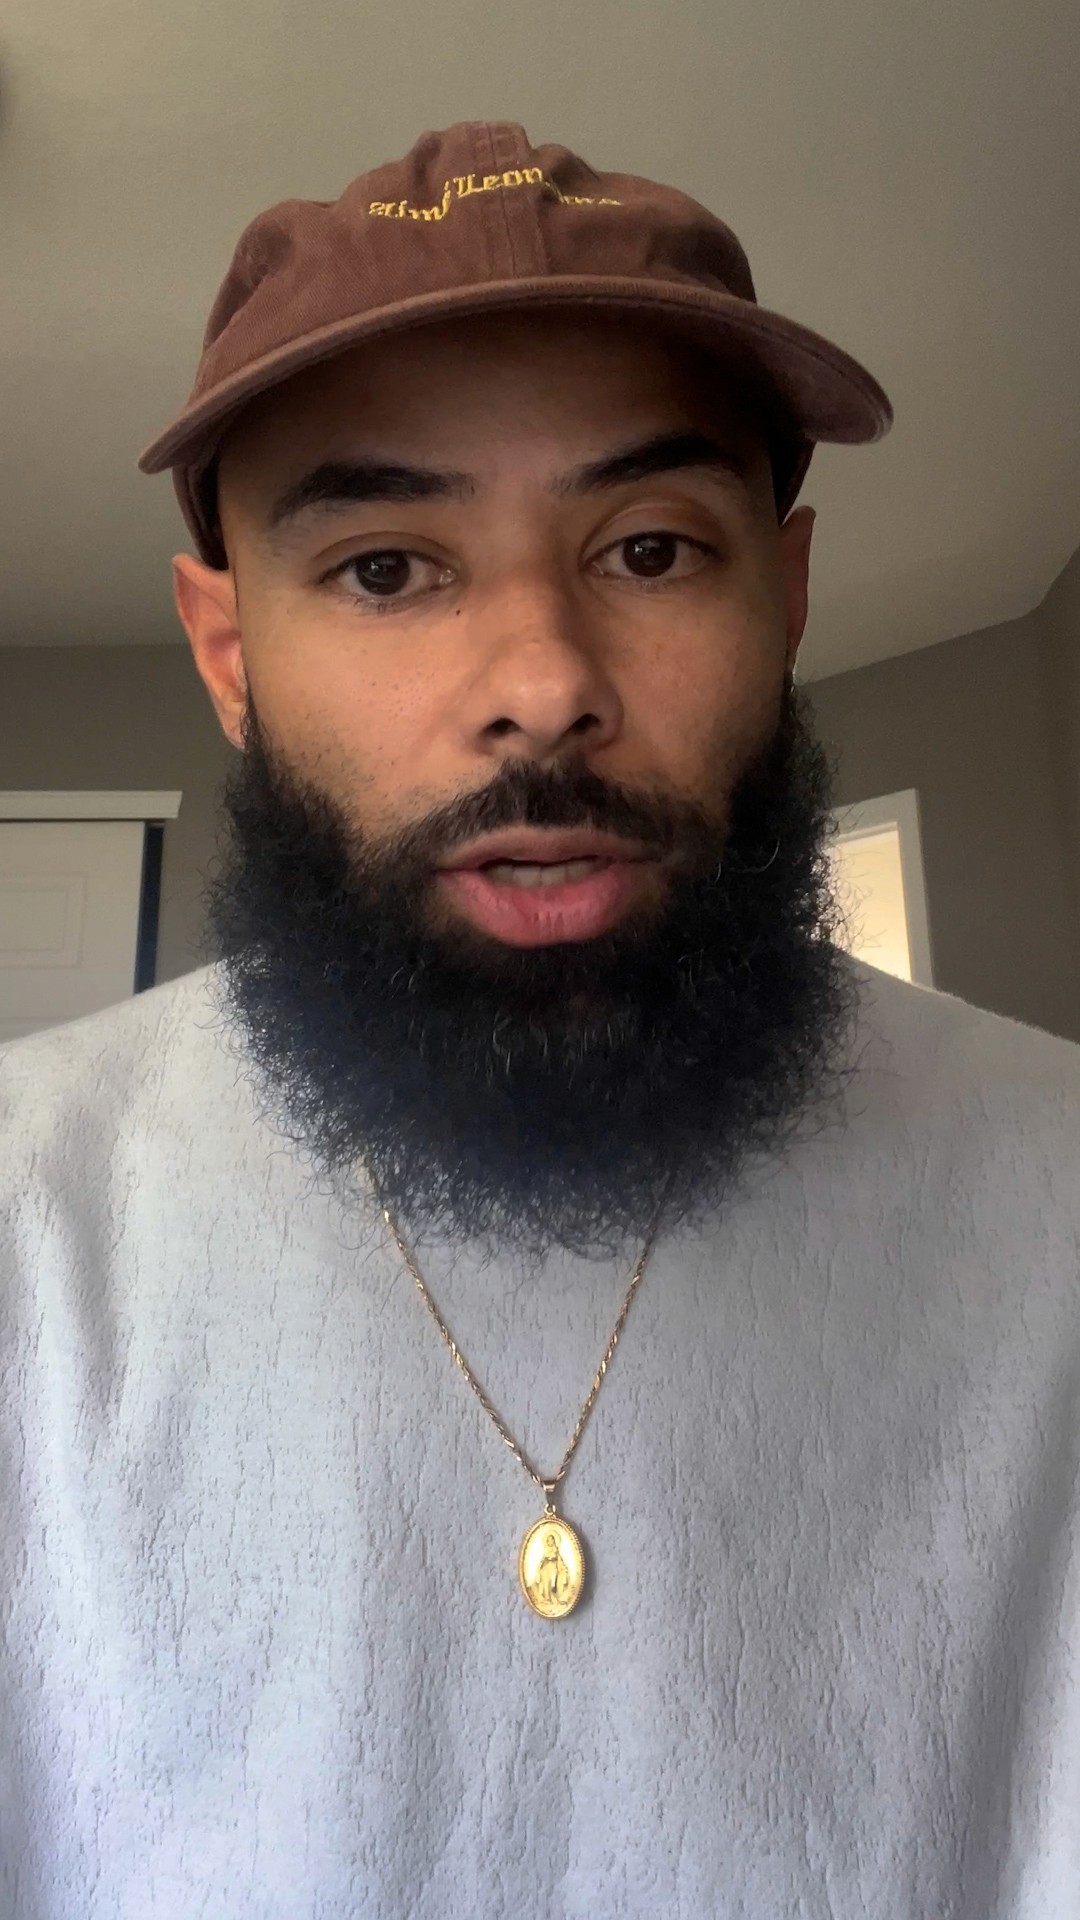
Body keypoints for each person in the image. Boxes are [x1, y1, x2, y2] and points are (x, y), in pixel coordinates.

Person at [1, 120, 1078, 1919]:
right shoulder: (25, 1223)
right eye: (385, 568)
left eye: (649, 549)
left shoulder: (1060, 1196)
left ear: (788, 596)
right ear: (228, 652)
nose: (546, 686)